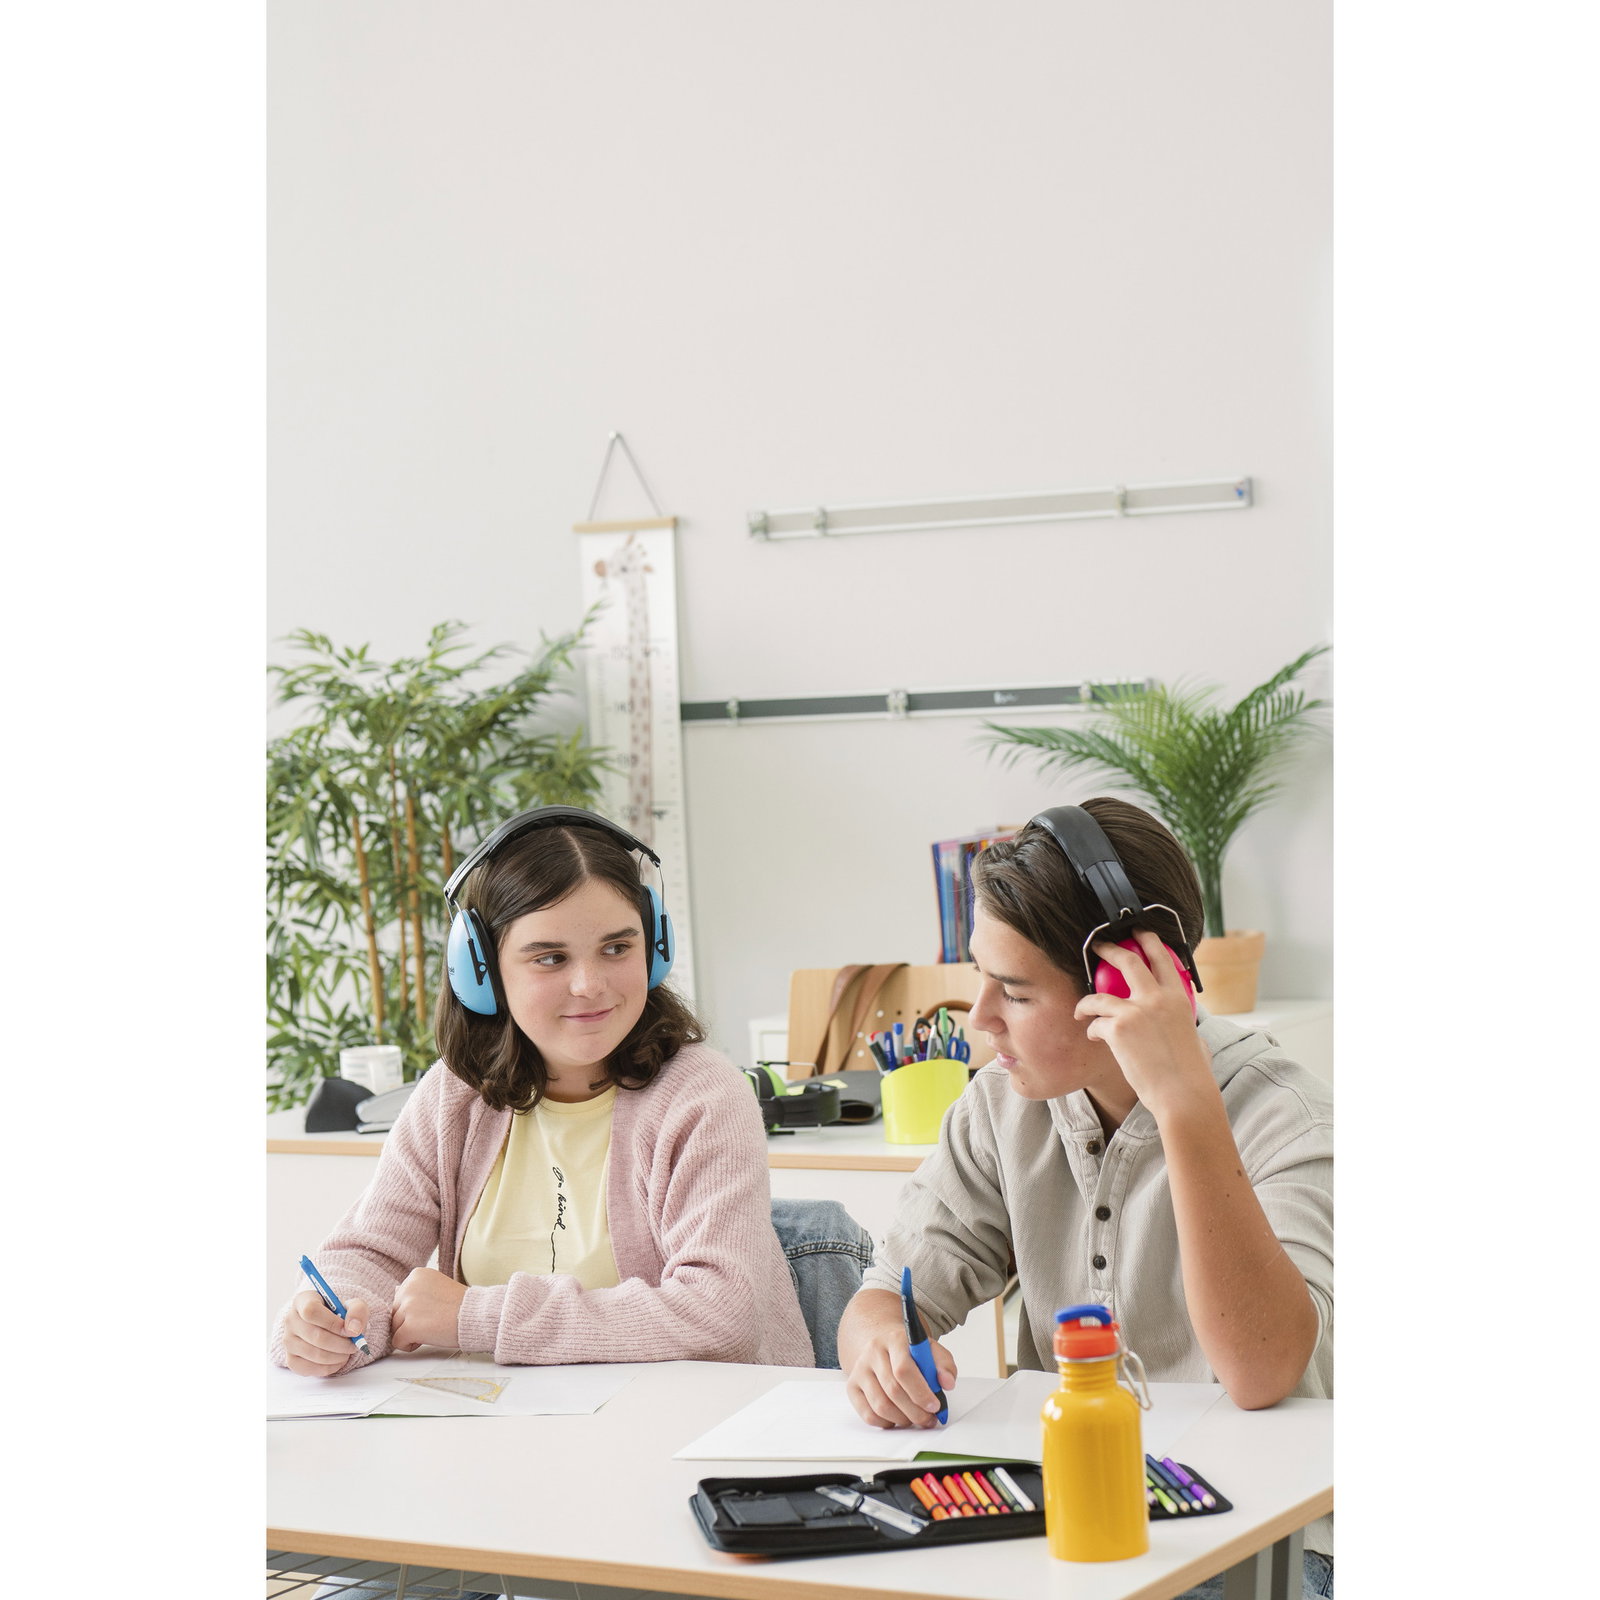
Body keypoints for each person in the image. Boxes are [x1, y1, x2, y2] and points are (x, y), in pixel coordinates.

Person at [836, 797, 1333, 1596]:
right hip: (1071, 1516)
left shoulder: (1287, 1117)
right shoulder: (999, 1107)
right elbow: (887, 1297)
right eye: (980, 978)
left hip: (1264, 1541)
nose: (980, 1020)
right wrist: (880, 1348)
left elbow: (1262, 1370)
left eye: (1015, 992)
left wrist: (1183, 1107)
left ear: (1124, 986)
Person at [271, 805, 814, 1383]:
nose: (589, 985)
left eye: (617, 948)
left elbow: (720, 1316)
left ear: (654, 950)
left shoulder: (703, 1097)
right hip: (507, 1420)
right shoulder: (453, 1097)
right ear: (481, 972)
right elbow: (367, 1255)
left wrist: (474, 1317)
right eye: (550, 958)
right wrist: (327, 1326)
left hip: (690, 1420)